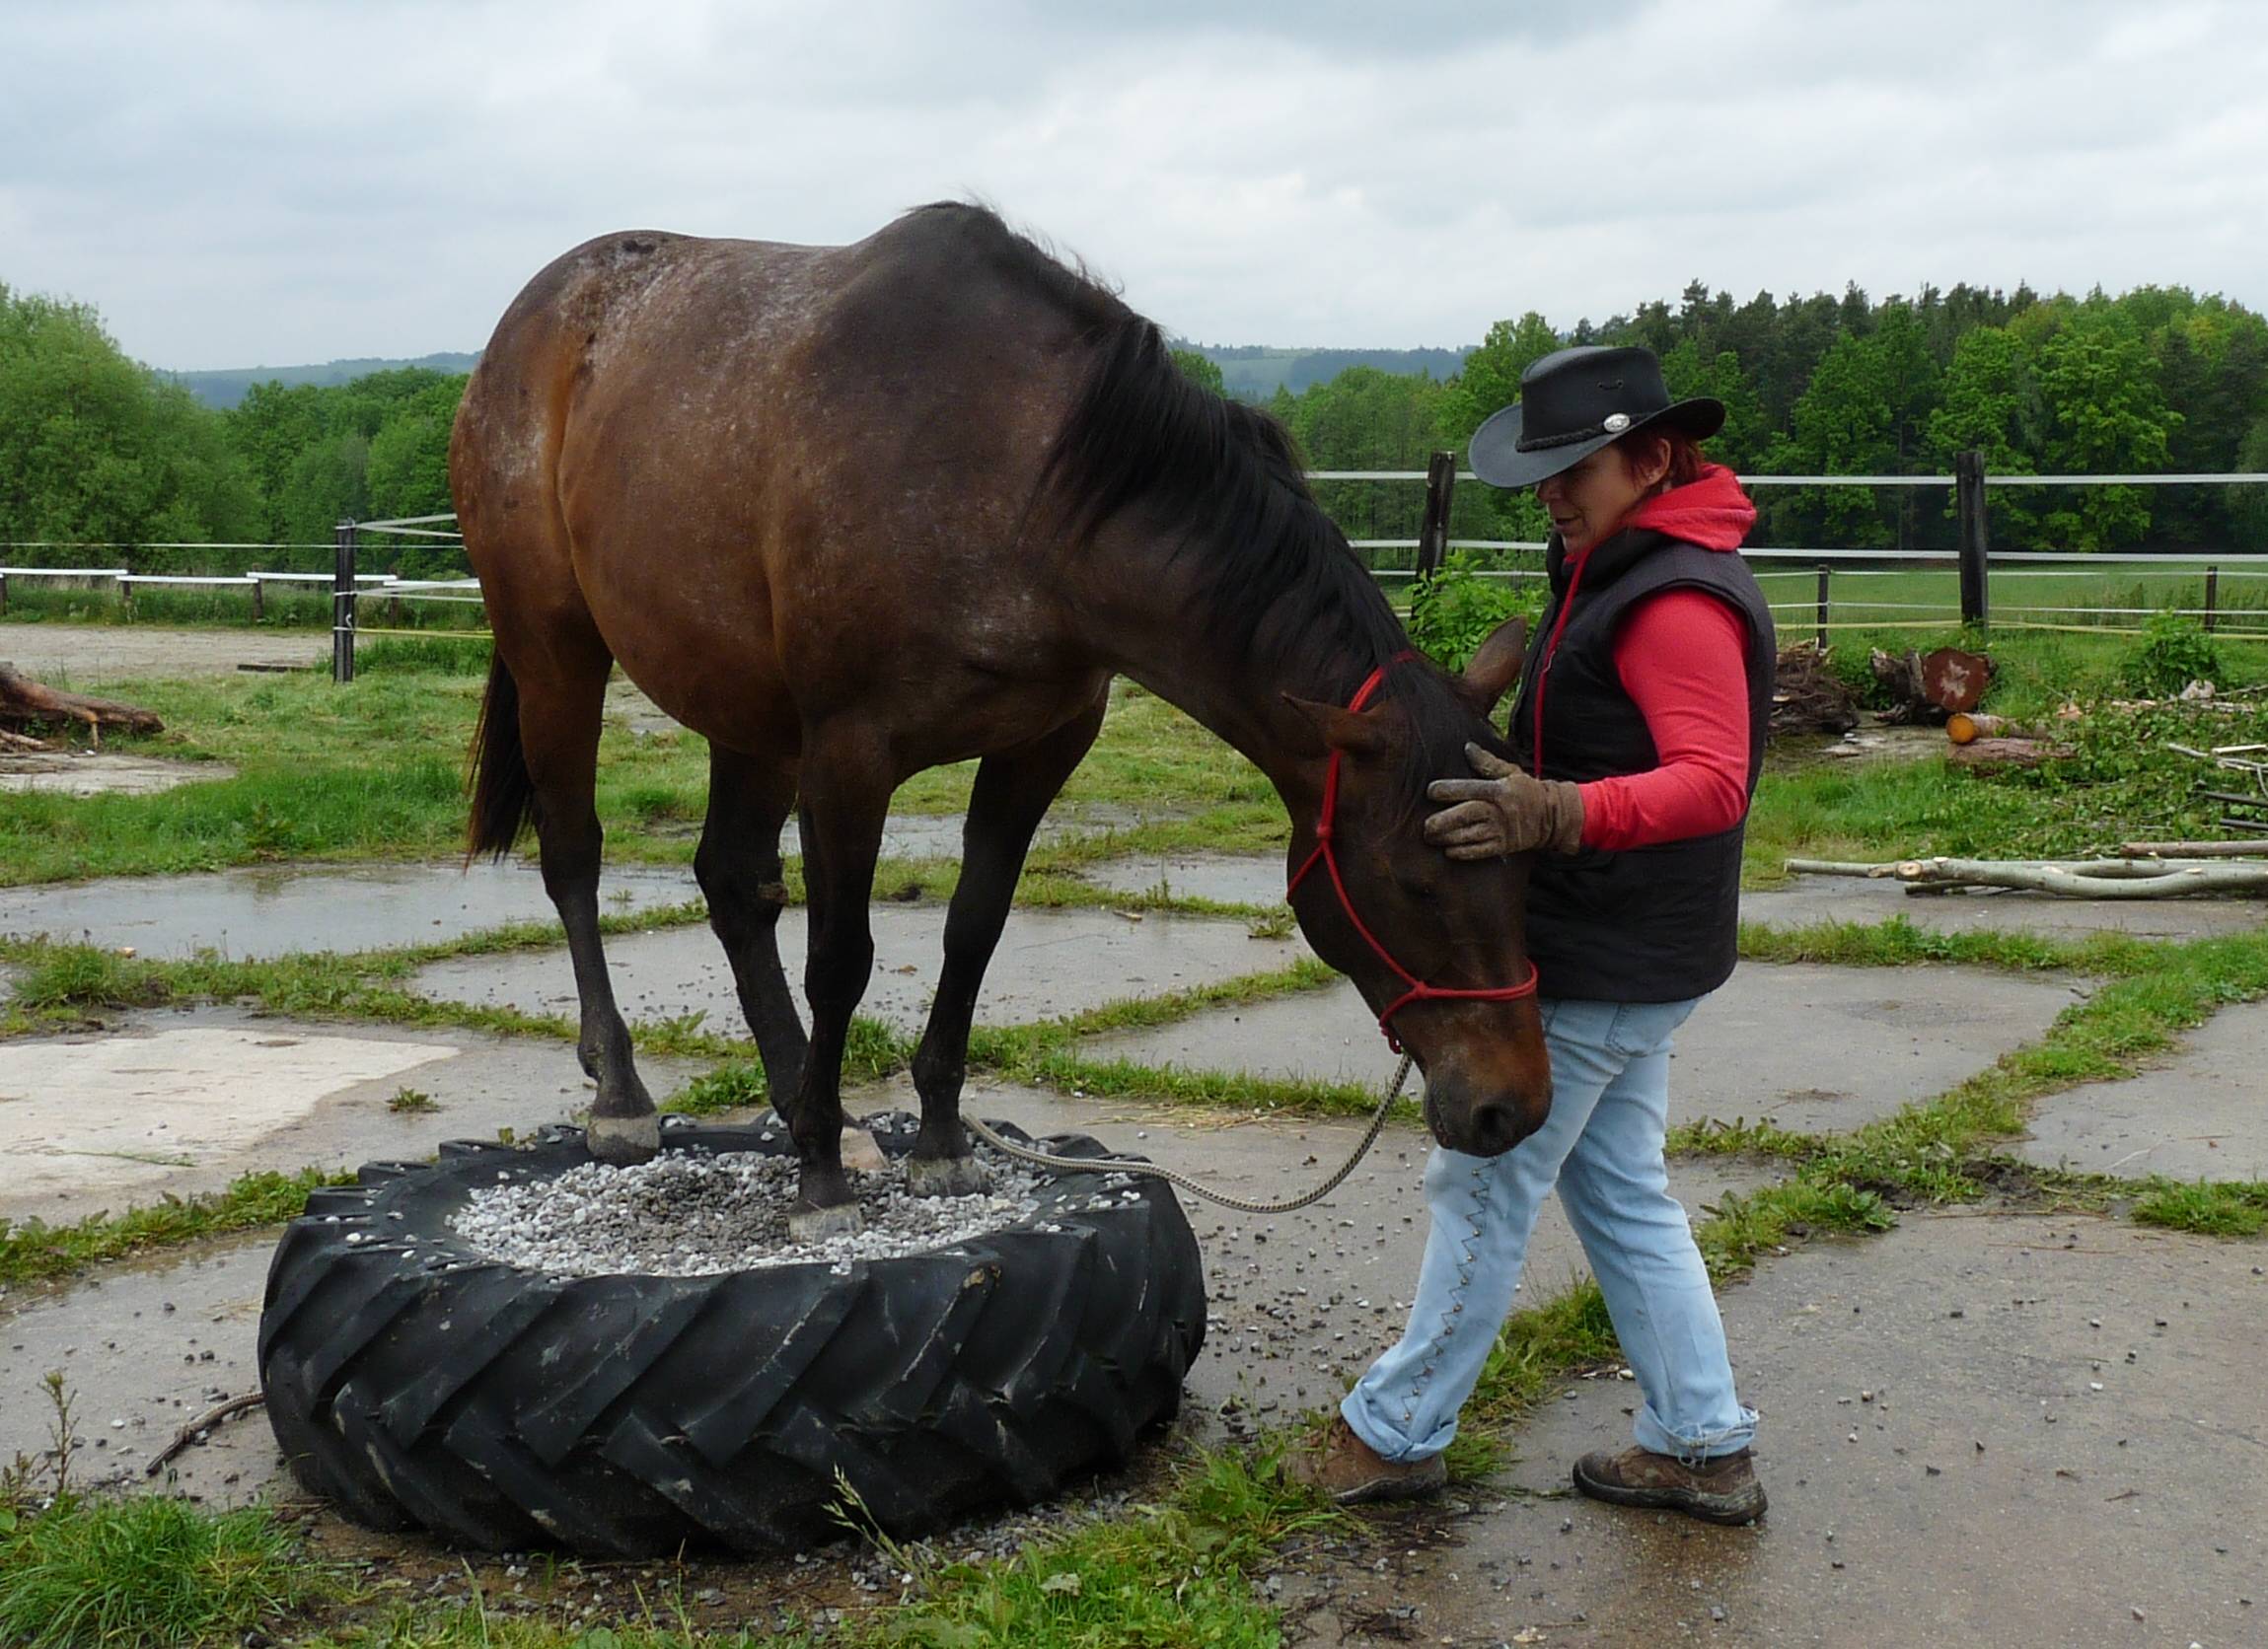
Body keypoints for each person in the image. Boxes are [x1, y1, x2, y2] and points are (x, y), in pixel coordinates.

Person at [1292, 344, 1776, 1525]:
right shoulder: (1615, 570)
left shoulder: (1668, 599)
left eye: (1577, 469)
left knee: (1481, 1187)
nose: (1553, 494)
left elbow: (1712, 782)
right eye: (1544, 474)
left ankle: (1395, 1435)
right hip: (1636, 944)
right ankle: (1700, 1442)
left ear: (1652, 456)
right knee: (1620, 1192)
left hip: (1608, 948)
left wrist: (1557, 809)